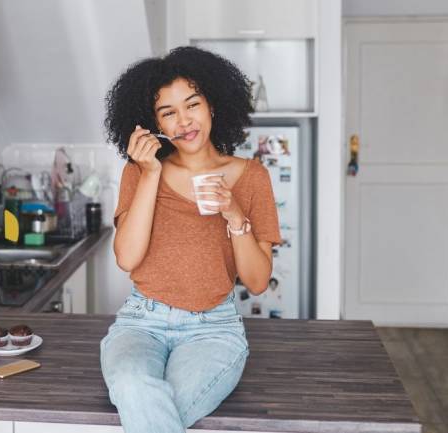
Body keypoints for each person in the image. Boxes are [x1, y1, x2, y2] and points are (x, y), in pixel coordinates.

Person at [100, 46, 282, 433]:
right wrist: (149, 173)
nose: (184, 121)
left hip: (213, 329)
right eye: (168, 112)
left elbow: (257, 281)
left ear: (212, 105)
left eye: (192, 104)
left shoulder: (252, 178)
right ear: (154, 123)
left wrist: (234, 214)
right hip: (141, 323)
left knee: (153, 409)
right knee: (134, 386)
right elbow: (127, 258)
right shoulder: (139, 173)